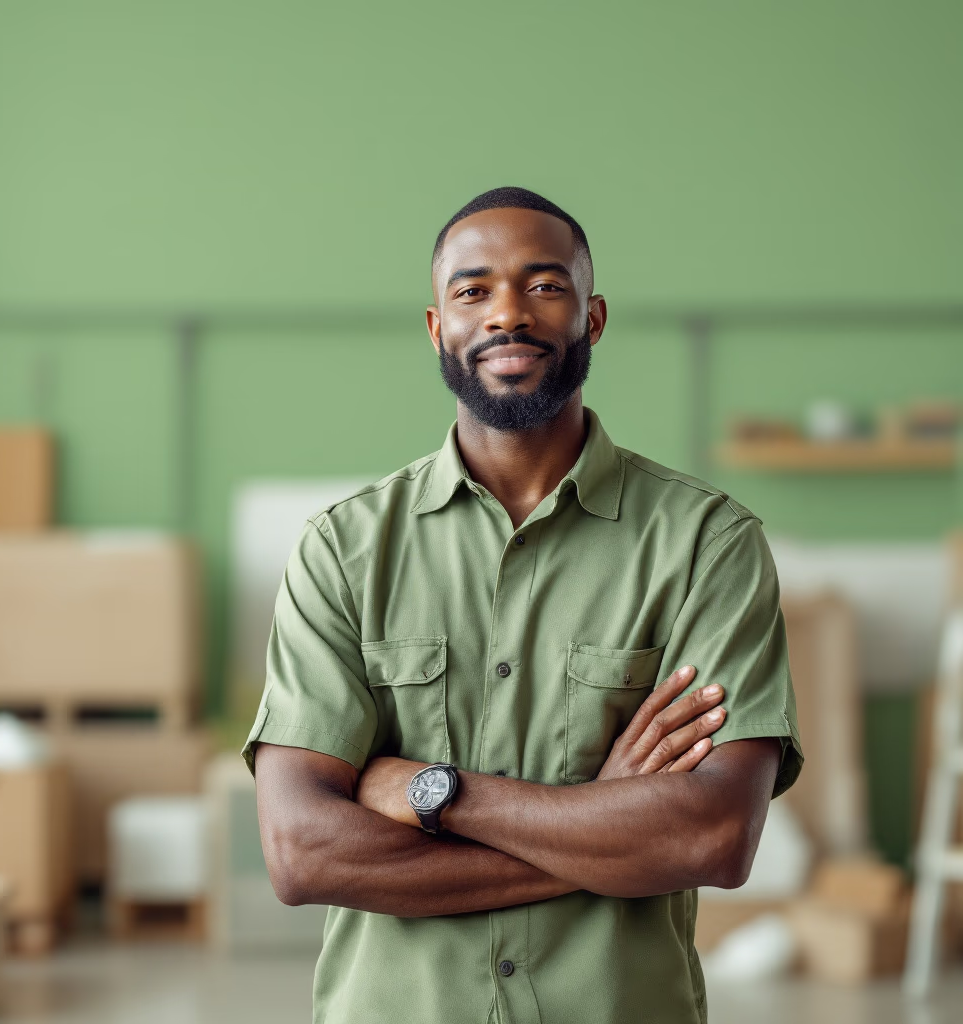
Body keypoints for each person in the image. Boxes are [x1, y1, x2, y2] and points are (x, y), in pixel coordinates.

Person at [244, 187, 802, 1024]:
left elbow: (713, 838)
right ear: (438, 328)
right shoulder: (344, 551)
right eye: (473, 291)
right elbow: (301, 852)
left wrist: (438, 793)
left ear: (593, 318)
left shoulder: (705, 545)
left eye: (544, 285)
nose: (508, 313)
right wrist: (606, 825)